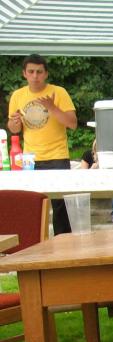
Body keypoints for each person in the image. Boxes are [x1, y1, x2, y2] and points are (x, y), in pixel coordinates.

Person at [6, 53, 77, 235]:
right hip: (29, 158)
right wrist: (14, 123)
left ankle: (64, 243)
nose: (35, 76)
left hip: (57, 156)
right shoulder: (18, 95)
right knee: (30, 203)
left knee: (61, 206)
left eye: (39, 72)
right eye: (31, 72)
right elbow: (14, 129)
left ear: (46, 74)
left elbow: (72, 123)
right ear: (24, 73)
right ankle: (33, 240)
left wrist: (52, 107)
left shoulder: (58, 92)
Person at [80, 139, 113, 226]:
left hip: (108, 183)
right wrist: (92, 170)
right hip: (92, 184)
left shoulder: (111, 157)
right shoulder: (87, 155)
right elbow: (82, 176)